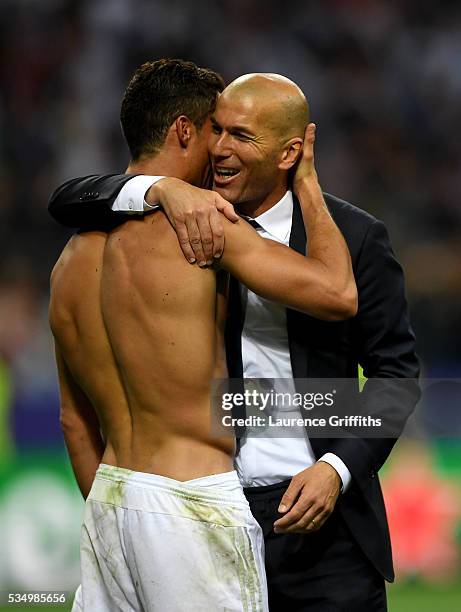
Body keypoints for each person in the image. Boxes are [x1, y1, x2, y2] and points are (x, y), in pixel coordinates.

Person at [48, 66, 420, 611]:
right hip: (213, 501)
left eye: (241, 136)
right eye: (216, 129)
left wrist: (337, 468)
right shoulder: (192, 220)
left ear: (289, 152)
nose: (220, 148)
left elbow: (396, 375)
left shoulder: (355, 238)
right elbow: (68, 197)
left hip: (321, 524)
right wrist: (163, 187)